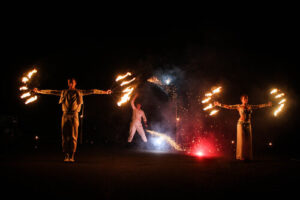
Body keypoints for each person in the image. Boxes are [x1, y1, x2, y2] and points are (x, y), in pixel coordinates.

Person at [33, 78, 112, 162]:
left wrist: (105, 92)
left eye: (72, 82)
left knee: (73, 136)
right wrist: (39, 91)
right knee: (65, 136)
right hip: (65, 114)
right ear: (68, 83)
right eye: (69, 82)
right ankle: (66, 155)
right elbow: (51, 91)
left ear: (75, 83)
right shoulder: (64, 92)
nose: (71, 83)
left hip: (74, 115)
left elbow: (92, 91)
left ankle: (72, 155)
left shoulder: (79, 92)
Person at [214, 95, 272, 161]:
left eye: (247, 98)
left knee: (248, 140)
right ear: (241, 100)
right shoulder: (239, 106)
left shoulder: (250, 106)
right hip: (240, 124)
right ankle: (241, 156)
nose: (246, 100)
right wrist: (219, 104)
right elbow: (229, 107)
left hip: (248, 124)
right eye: (244, 99)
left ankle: (247, 156)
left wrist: (267, 104)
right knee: (241, 140)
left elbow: (258, 106)